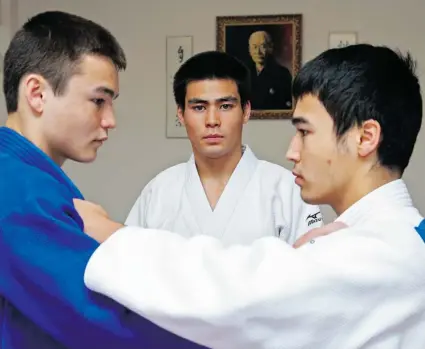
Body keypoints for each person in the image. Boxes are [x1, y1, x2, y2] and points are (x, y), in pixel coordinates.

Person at [78, 44, 425, 349]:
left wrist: (115, 236)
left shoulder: (378, 251)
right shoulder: (382, 239)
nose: (291, 151)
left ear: (365, 138)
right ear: (181, 115)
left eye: (304, 131)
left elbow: (244, 291)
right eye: (198, 107)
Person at [0, 10, 205, 349]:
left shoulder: (34, 181)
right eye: (98, 101)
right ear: (37, 93)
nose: (109, 120)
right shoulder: (18, 193)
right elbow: (102, 323)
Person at [126, 50, 323, 246]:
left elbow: (310, 269)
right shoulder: (158, 193)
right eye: (199, 108)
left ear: (246, 111)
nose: (212, 121)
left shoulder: (287, 190)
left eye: (225, 106)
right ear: (181, 114)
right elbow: (128, 265)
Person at [247, 30, 293, 110]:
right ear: (249, 50)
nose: (258, 52)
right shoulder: (243, 73)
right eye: (254, 47)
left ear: (270, 48)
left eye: (262, 46)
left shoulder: (282, 74)